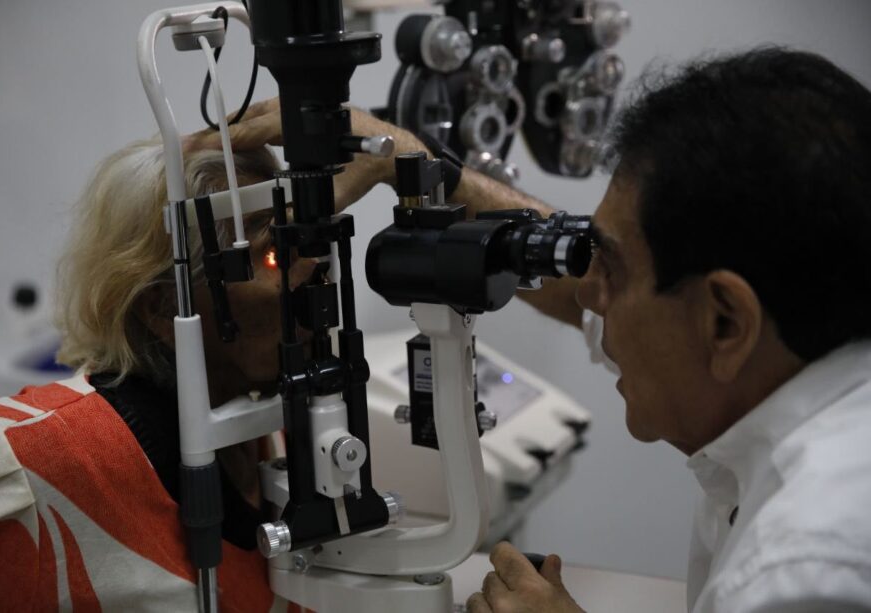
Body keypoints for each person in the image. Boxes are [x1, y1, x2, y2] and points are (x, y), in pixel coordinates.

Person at [193, 48, 871, 611]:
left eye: (610, 267)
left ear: (725, 321)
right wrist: (420, 164)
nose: (588, 296)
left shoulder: (806, 571)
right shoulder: (810, 370)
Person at [0, 100, 387, 611]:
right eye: (275, 254)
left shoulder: (281, 427)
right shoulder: (49, 456)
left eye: (305, 244)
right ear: (163, 305)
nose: (315, 270)